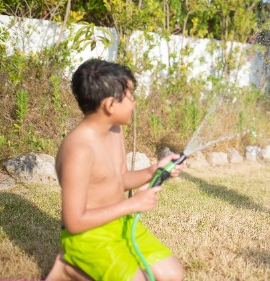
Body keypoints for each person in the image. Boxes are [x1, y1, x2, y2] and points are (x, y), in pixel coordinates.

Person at [46, 58, 185, 280]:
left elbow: (120, 179)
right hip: (88, 235)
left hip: (120, 223)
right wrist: (133, 204)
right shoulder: (79, 150)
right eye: (130, 97)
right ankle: (69, 268)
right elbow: (74, 221)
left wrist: (154, 170)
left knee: (173, 275)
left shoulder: (115, 130)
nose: (134, 103)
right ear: (110, 105)